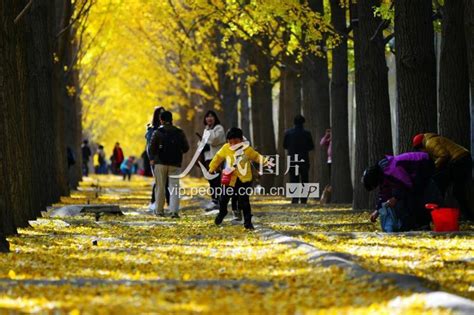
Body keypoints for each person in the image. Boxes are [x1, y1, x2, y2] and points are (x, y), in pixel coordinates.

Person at [362, 152, 441, 232]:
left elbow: (407, 184)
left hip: (424, 163)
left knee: (414, 195)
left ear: (374, 179)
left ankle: (422, 224)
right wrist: (377, 211)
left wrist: (396, 198)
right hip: (415, 172)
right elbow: (384, 194)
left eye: (373, 186)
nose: (376, 187)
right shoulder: (383, 174)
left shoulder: (392, 170)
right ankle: (418, 224)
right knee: (408, 196)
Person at [209, 127, 269, 230]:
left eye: (236, 142)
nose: (233, 144)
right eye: (230, 142)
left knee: (244, 201)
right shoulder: (225, 148)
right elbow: (217, 158)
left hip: (244, 180)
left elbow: (256, 156)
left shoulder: (247, 149)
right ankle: (222, 212)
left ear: (241, 140)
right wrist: (211, 168)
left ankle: (248, 222)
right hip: (229, 179)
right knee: (223, 199)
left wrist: (266, 162)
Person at [413, 133, 473, 220]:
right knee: (456, 190)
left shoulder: (430, 143)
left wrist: (435, 167)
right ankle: (465, 216)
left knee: (456, 190)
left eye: (420, 150)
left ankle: (466, 216)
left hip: (459, 161)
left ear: (421, 146)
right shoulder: (431, 140)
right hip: (461, 159)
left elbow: (444, 155)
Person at [149, 111, 189, 218]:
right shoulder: (179, 132)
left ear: (161, 120)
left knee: (160, 187)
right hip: (175, 164)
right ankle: (174, 212)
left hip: (160, 163)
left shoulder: (157, 132)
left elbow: (151, 148)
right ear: (172, 120)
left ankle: (159, 211)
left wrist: (153, 158)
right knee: (174, 187)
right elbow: (186, 148)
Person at [283, 115, 315, 204]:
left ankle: (295, 199)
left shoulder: (288, 133)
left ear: (294, 122)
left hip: (292, 159)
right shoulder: (307, 133)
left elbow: (284, 145)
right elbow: (311, 146)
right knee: (304, 179)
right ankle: (304, 199)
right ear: (303, 123)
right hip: (304, 159)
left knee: (293, 179)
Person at [200, 110, 226, 211]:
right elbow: (204, 142)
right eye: (207, 116)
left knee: (217, 179)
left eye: (211, 116)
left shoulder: (219, 128)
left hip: (217, 158)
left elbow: (214, 140)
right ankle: (214, 200)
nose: (209, 118)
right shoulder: (206, 129)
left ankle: (219, 201)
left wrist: (208, 132)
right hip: (208, 158)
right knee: (211, 180)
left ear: (215, 118)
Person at [145, 107, 169, 211]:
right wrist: (152, 158)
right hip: (156, 160)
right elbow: (149, 147)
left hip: (167, 159)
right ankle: (154, 203)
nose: (162, 115)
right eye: (160, 113)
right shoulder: (152, 130)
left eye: (163, 113)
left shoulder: (168, 128)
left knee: (166, 181)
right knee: (159, 181)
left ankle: (168, 203)